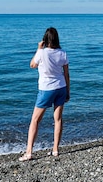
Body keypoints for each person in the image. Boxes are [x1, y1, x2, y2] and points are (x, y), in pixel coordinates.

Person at [19, 27, 70, 161]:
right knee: (58, 119)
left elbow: (32, 65)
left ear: (45, 39)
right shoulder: (63, 53)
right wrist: (68, 92)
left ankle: (29, 152)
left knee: (35, 120)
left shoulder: (41, 53)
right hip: (61, 87)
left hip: (46, 89)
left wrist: (38, 48)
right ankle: (55, 150)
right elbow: (66, 74)